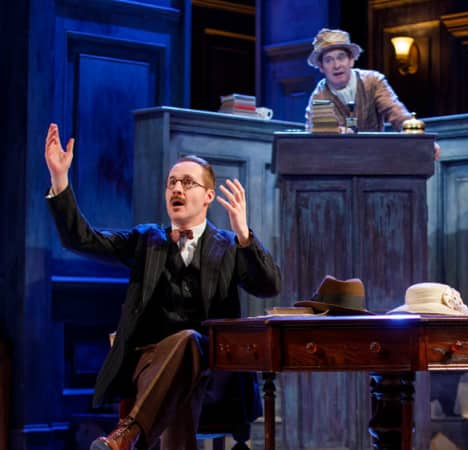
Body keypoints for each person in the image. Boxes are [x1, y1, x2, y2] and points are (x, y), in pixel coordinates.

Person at [44, 123, 282, 450]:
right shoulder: (146, 240)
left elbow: (269, 286)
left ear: (209, 196)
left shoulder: (228, 246)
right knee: (182, 374)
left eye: (187, 182)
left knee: (188, 355)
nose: (177, 189)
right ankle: (126, 437)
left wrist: (244, 235)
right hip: (149, 362)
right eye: (171, 183)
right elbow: (82, 239)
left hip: (215, 369)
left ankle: (126, 434)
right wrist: (60, 180)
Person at [305, 28, 412, 132]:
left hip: (374, 149)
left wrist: (411, 128)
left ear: (351, 60)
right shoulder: (319, 95)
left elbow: (395, 111)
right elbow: (314, 134)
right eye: (328, 60)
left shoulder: (373, 81)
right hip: (338, 150)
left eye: (341, 57)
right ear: (321, 67)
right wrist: (337, 132)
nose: (336, 65)